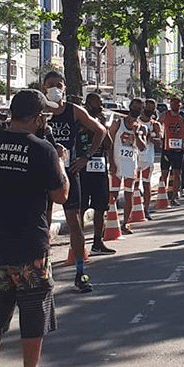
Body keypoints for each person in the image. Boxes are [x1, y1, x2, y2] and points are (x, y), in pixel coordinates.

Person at [0, 89, 68, 367]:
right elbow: (60, 195)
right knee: (34, 307)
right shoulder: (43, 149)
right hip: (31, 246)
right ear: (38, 118)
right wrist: (62, 164)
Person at [42, 71, 106, 292]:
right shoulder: (38, 109)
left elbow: (101, 130)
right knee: (44, 223)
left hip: (69, 172)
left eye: (58, 85)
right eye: (50, 85)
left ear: (65, 88)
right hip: (42, 174)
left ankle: (80, 272)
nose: (54, 88)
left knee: (74, 222)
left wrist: (85, 157)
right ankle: (43, 271)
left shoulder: (73, 110)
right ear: (43, 87)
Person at [77, 93, 114, 255]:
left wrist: (104, 127)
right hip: (82, 169)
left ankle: (98, 242)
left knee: (101, 207)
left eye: (100, 102)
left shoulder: (101, 122)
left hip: (99, 169)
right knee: (81, 207)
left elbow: (108, 145)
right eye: (97, 102)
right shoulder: (79, 120)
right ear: (89, 104)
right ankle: (78, 243)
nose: (100, 105)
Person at [108, 99, 146, 234]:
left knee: (129, 193)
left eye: (139, 108)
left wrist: (136, 133)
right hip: (117, 162)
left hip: (131, 164)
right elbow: (109, 143)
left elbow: (142, 147)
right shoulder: (118, 124)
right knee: (113, 192)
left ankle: (126, 222)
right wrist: (111, 162)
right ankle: (110, 221)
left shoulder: (142, 127)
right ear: (130, 107)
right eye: (134, 107)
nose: (136, 110)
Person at [159, 96, 184, 206]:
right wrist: (160, 136)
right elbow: (158, 124)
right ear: (170, 104)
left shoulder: (183, 116)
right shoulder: (165, 115)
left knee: (177, 173)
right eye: (173, 104)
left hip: (179, 149)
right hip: (167, 149)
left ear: (181, 105)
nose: (175, 107)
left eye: (177, 105)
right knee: (164, 173)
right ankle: (162, 195)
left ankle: (174, 197)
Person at [137, 98, 163, 220]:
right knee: (134, 185)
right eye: (148, 107)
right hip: (135, 158)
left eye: (152, 108)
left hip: (148, 158)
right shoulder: (136, 122)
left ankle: (146, 209)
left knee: (146, 185)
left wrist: (151, 138)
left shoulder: (155, 125)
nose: (149, 110)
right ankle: (134, 209)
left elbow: (160, 141)